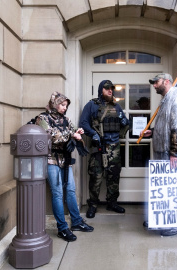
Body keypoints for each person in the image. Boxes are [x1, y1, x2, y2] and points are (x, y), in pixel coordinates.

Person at [36, 91, 94, 242]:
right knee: (57, 193)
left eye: (66, 105)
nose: (64, 108)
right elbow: (51, 136)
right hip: (51, 160)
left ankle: (76, 222)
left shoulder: (66, 119)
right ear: (55, 104)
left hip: (65, 160)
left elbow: (74, 134)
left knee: (70, 190)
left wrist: (78, 133)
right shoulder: (42, 118)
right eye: (62, 105)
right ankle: (62, 228)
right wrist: (71, 135)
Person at [142, 73, 177, 236]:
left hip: (172, 157)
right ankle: (160, 220)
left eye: (156, 82)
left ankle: (175, 224)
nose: (154, 86)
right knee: (164, 190)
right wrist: (154, 132)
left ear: (166, 81)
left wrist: (175, 153)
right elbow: (168, 126)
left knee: (174, 191)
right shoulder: (166, 100)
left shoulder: (176, 99)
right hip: (164, 155)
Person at [79, 80, 129, 218]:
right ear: (101, 90)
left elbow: (124, 123)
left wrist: (125, 122)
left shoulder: (117, 106)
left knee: (114, 177)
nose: (110, 91)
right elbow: (83, 123)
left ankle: (112, 202)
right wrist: (93, 134)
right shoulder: (91, 105)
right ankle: (93, 205)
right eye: (107, 88)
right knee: (96, 177)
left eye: (111, 89)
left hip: (115, 147)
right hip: (99, 147)